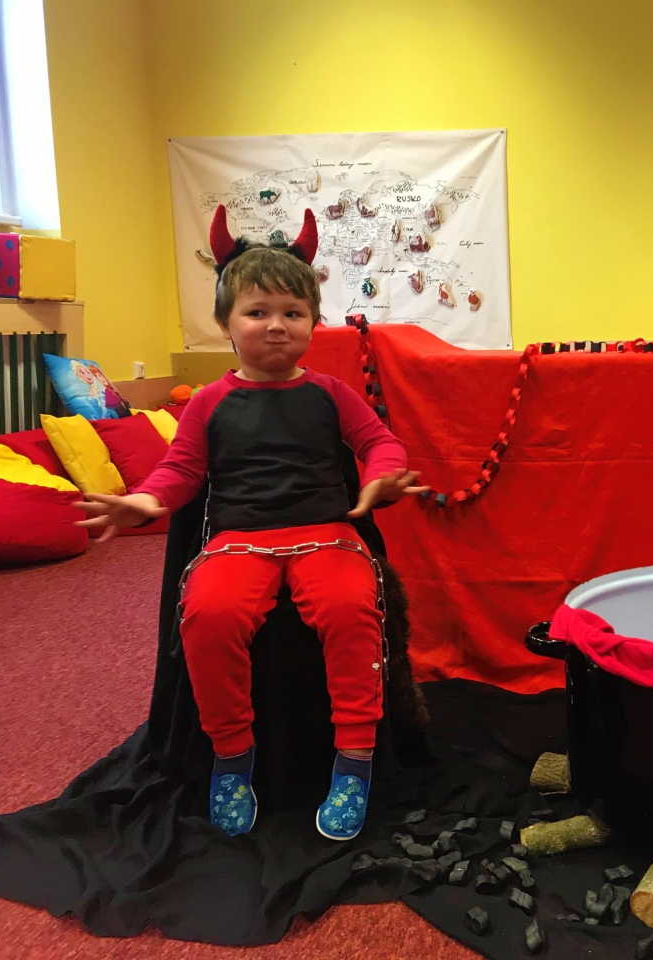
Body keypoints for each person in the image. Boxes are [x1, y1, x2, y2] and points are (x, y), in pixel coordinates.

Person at [74, 206, 422, 841]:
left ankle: (355, 761)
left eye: (293, 312)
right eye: (257, 312)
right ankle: (232, 759)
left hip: (328, 536)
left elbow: (380, 441)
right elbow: (180, 470)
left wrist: (382, 473)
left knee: (351, 611)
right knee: (209, 616)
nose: (277, 325)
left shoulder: (330, 393)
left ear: (313, 321)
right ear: (225, 323)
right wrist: (145, 503)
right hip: (238, 543)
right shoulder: (209, 401)